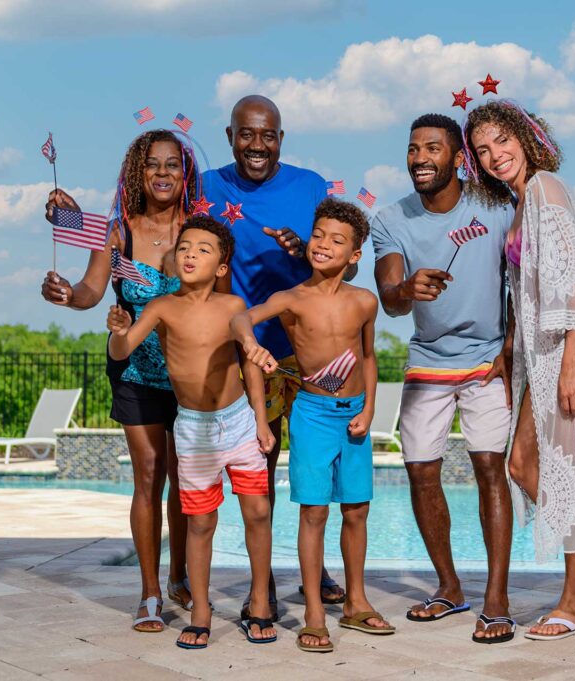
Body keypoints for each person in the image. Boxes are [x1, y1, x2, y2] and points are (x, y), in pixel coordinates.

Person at [465, 100, 575, 641]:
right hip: (545, 350)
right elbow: (523, 292)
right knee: (524, 464)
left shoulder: (545, 188)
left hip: (573, 346)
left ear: (526, 137)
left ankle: (574, 602)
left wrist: (573, 360)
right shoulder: (519, 203)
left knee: (563, 468)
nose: (494, 156)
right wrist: (507, 356)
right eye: (483, 150)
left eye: (501, 141)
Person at [370, 114, 516, 643]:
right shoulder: (390, 219)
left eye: (432, 148)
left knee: (488, 470)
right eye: (413, 149)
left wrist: (510, 344)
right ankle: (450, 587)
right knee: (420, 472)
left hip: (486, 361)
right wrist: (408, 287)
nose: (420, 158)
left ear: (458, 158)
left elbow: (526, 274)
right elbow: (388, 300)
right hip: (429, 360)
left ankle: (496, 598)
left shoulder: (497, 206)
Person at [40, 129, 193, 632]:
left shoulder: (200, 230)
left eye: (173, 164)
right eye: (154, 165)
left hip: (189, 372)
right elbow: (89, 290)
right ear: (138, 172)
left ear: (184, 172)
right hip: (134, 367)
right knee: (149, 474)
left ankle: (179, 573)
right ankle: (150, 593)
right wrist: (67, 294)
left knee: (183, 479)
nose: (164, 173)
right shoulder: (117, 231)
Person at [107, 215, 277, 649]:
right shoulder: (162, 307)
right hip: (194, 429)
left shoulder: (234, 307)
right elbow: (123, 350)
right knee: (200, 521)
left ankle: (259, 601)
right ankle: (201, 610)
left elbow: (248, 364)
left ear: (221, 266)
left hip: (238, 422)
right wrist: (119, 332)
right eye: (184, 247)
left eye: (203, 249)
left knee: (257, 512)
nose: (190, 254)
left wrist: (260, 420)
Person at [231, 198, 393, 653]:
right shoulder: (291, 299)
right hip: (313, 415)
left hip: (354, 415)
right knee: (314, 512)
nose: (323, 244)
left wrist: (370, 409)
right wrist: (250, 343)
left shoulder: (365, 301)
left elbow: (367, 357)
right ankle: (315, 614)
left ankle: (356, 602)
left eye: (337, 240)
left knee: (357, 510)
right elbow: (241, 316)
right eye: (318, 235)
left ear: (355, 255)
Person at [203, 94, 346, 612]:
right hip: (238, 353)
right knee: (253, 466)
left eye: (268, 135)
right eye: (247, 134)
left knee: (310, 464)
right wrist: (69, 209)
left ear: (281, 139)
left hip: (305, 355)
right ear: (230, 136)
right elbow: (152, 218)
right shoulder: (206, 186)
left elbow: (346, 265)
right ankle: (256, 585)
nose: (257, 145)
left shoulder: (310, 186)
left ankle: (318, 568)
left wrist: (304, 249)